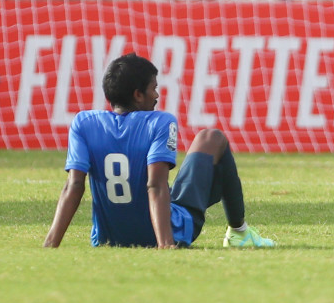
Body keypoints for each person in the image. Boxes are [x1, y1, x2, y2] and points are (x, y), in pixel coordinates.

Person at [43, 54, 275, 249]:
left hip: (108, 239)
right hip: (164, 232)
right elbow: (155, 185)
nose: (157, 95)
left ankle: (238, 233)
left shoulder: (83, 122)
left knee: (170, 185)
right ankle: (239, 232)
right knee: (212, 138)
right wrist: (165, 244)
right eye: (154, 88)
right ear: (137, 94)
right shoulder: (160, 121)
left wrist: (51, 244)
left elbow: (74, 185)